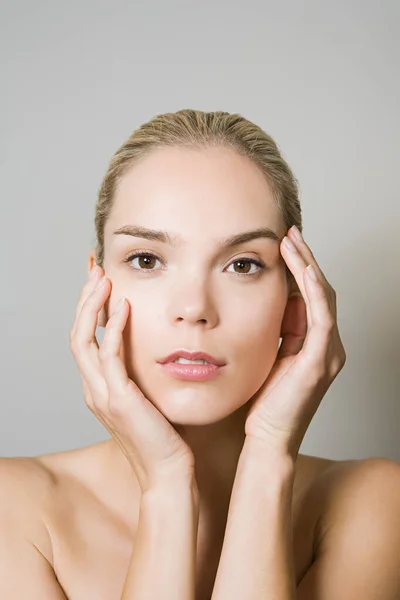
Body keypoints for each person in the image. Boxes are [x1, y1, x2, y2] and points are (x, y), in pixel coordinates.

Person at [1, 109, 399, 599]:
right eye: (146, 260)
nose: (194, 308)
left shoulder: (373, 503)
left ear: (296, 297)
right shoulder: (14, 511)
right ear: (96, 289)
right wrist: (166, 487)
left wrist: (270, 454)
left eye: (242, 264)